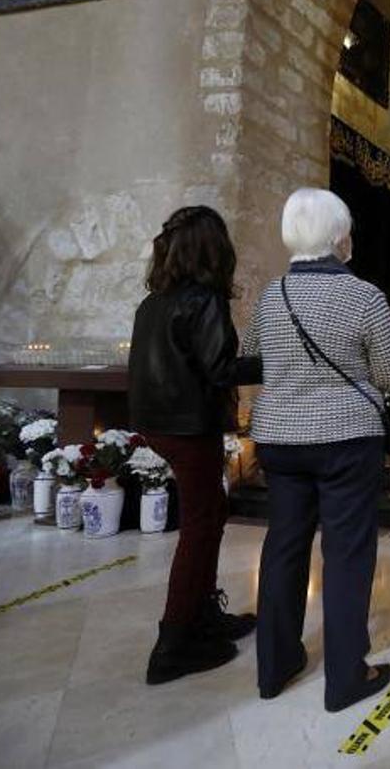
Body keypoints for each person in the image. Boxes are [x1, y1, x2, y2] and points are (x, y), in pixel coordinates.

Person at [243, 188, 390, 709]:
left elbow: (251, 359)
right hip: (347, 441)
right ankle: (344, 678)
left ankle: (274, 666)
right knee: (347, 554)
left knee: (284, 546)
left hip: (280, 440)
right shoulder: (365, 296)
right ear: (340, 238)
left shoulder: (273, 296)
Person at [129, 205, 262, 685]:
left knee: (210, 516)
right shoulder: (203, 299)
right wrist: (276, 363)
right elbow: (222, 369)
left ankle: (203, 614)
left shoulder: (154, 301)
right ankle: (173, 644)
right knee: (201, 525)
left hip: (159, 424)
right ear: (213, 248)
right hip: (188, 428)